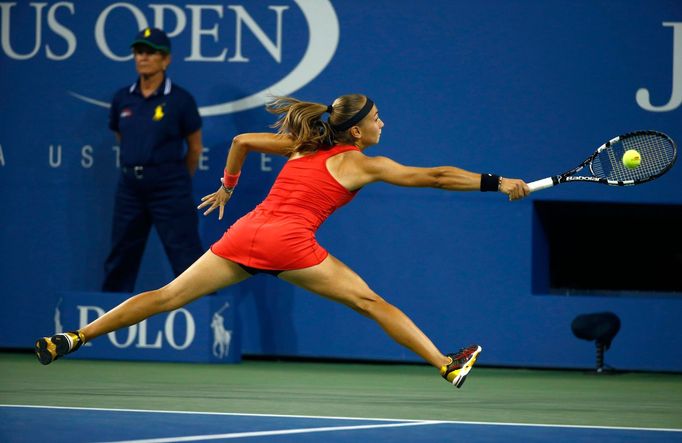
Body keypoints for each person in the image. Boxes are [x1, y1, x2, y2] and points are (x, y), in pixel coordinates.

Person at [36, 94, 530, 388]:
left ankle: (75, 337)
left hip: (246, 233)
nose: (384, 124)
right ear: (356, 131)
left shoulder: (303, 145)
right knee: (371, 303)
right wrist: (498, 181)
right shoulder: (362, 164)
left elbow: (241, 142)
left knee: (167, 297)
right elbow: (440, 176)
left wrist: (227, 189)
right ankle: (446, 364)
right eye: (378, 119)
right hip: (290, 243)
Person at [102, 27, 204, 292]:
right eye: (138, 52)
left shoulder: (181, 100)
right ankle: (108, 322)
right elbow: (121, 136)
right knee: (120, 258)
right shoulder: (122, 98)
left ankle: (203, 316)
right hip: (129, 188)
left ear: (166, 59)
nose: (142, 58)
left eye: (150, 52)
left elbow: (194, 148)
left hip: (169, 187)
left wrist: (172, 177)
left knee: (186, 257)